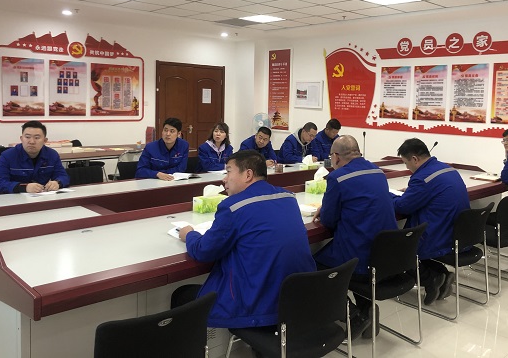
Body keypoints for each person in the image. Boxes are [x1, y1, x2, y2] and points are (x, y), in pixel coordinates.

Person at [174, 150, 316, 328]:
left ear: (248, 174)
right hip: (297, 301)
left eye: (228, 171)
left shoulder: (233, 206)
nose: (224, 179)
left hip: (257, 308)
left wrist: (189, 234)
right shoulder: (288, 197)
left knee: (182, 295)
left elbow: (204, 251)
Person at [313, 135, 397, 340]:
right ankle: (367, 308)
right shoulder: (378, 172)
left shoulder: (337, 178)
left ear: (336, 157)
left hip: (359, 254)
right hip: (385, 254)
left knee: (313, 267)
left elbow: (329, 221)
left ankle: (353, 314)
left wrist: (327, 208)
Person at [391, 138, 470, 306]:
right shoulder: (446, 169)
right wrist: (412, 192)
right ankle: (442, 274)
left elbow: (403, 206)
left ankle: (431, 278)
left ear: (414, 159)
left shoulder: (423, 178)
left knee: (398, 249)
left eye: (406, 163)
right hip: (457, 233)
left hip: (439, 234)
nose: (407, 168)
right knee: (410, 243)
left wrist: (388, 196)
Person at [0, 120, 70, 194]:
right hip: (15, 198)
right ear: (21, 139)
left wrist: (57, 183)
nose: (32, 142)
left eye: (37, 138)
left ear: (45, 140)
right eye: (27, 137)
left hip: (43, 197)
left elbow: (63, 176)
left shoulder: (52, 155)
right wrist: (24, 187)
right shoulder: (7, 156)